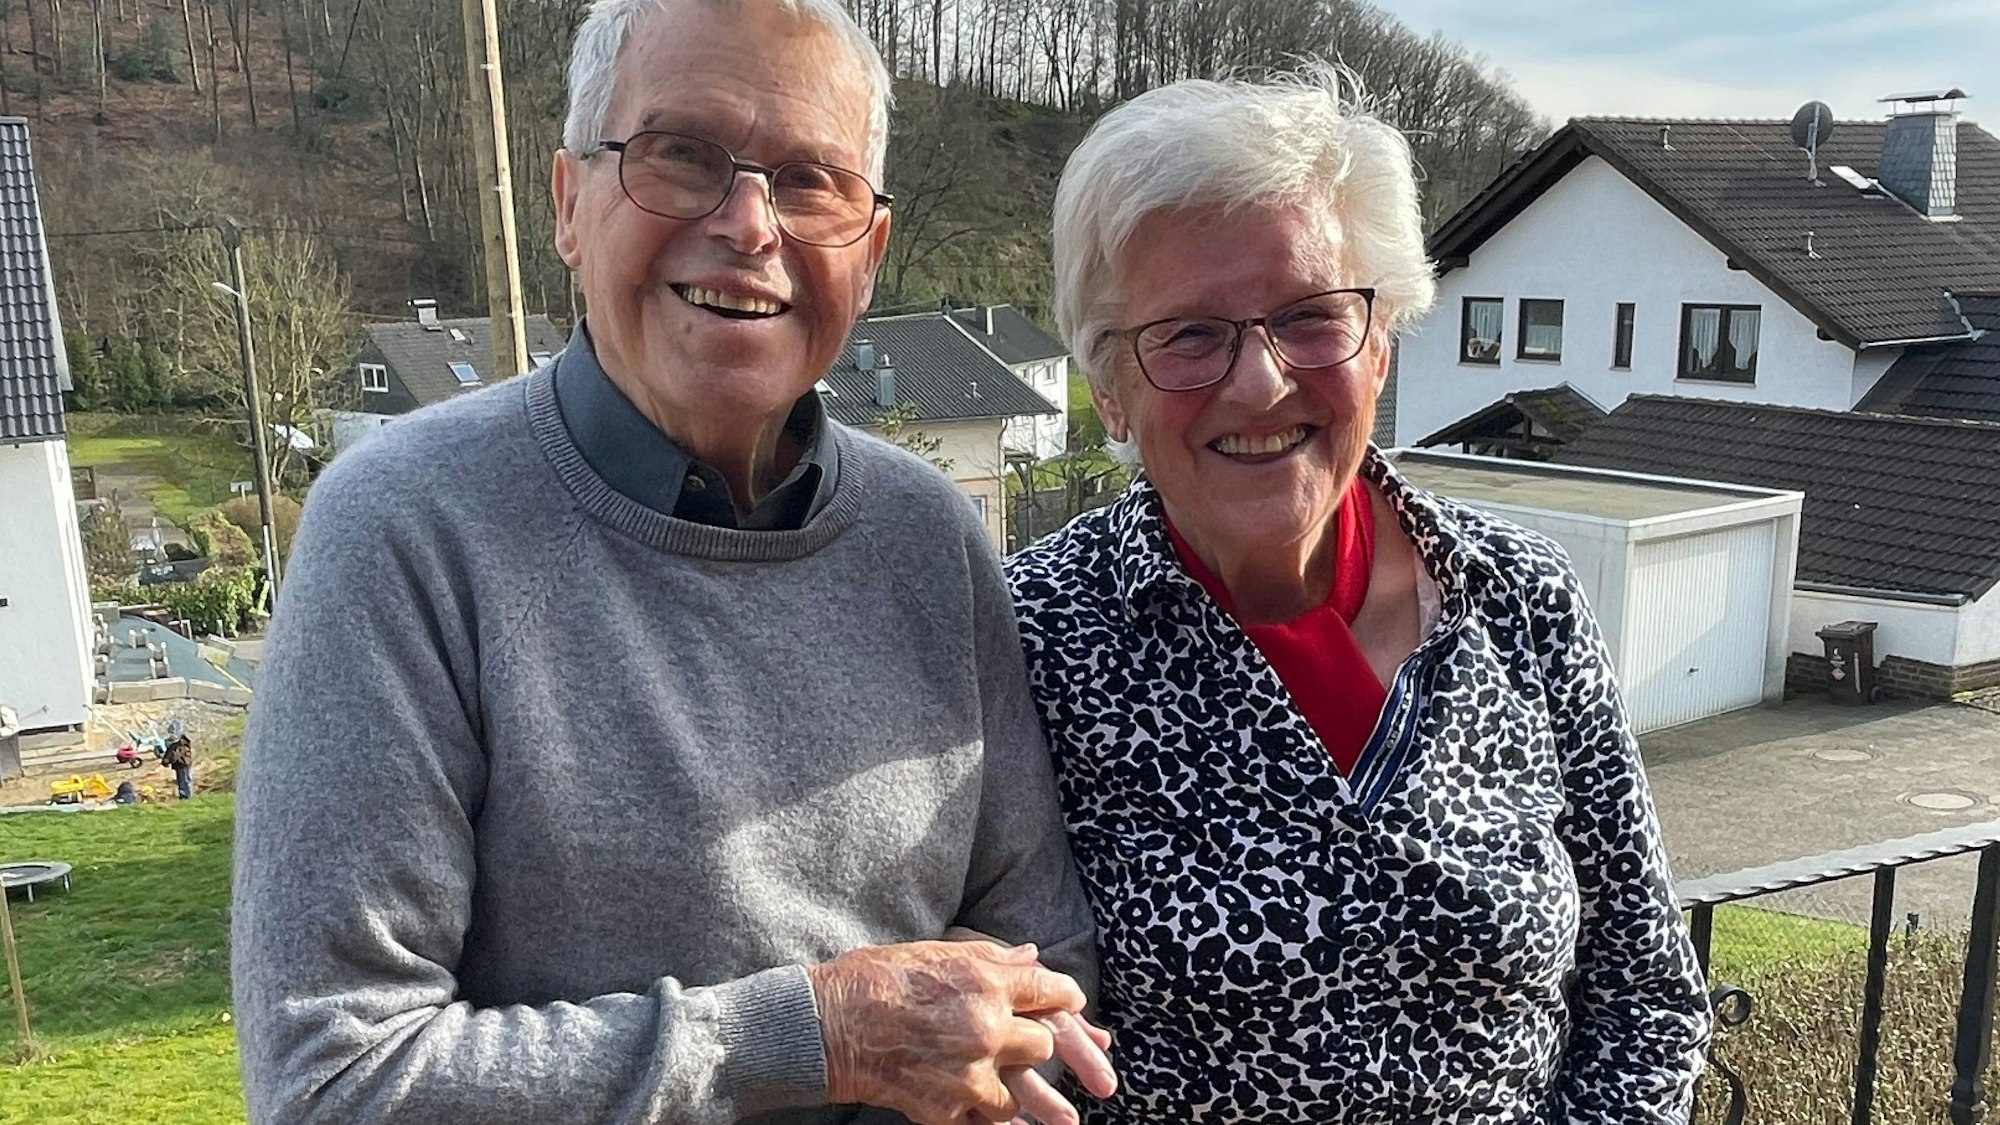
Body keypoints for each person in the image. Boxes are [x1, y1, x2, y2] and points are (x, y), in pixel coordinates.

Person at [231, 1, 1109, 1122]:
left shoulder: (930, 538)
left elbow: (1046, 957)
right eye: (680, 156)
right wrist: (816, 1037)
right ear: (566, 205)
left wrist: (973, 1026)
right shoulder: (406, 526)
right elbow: (333, 1083)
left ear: (870, 249)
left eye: (808, 181)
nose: (749, 224)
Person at [1006, 67, 1712, 1122]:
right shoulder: (1030, 635)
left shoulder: (1517, 599)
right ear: (1109, 387)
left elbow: (1644, 993)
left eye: (1308, 317)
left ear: (1381, 341)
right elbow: (985, 1010)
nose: (1259, 383)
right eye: (1188, 334)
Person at [163, 720, 194, 800]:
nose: (171, 735)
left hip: (183, 763)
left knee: (185, 780)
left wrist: (167, 760)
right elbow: (170, 753)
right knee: (182, 780)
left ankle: (186, 796)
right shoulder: (174, 744)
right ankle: (184, 795)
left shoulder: (181, 744)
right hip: (179, 764)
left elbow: (174, 755)